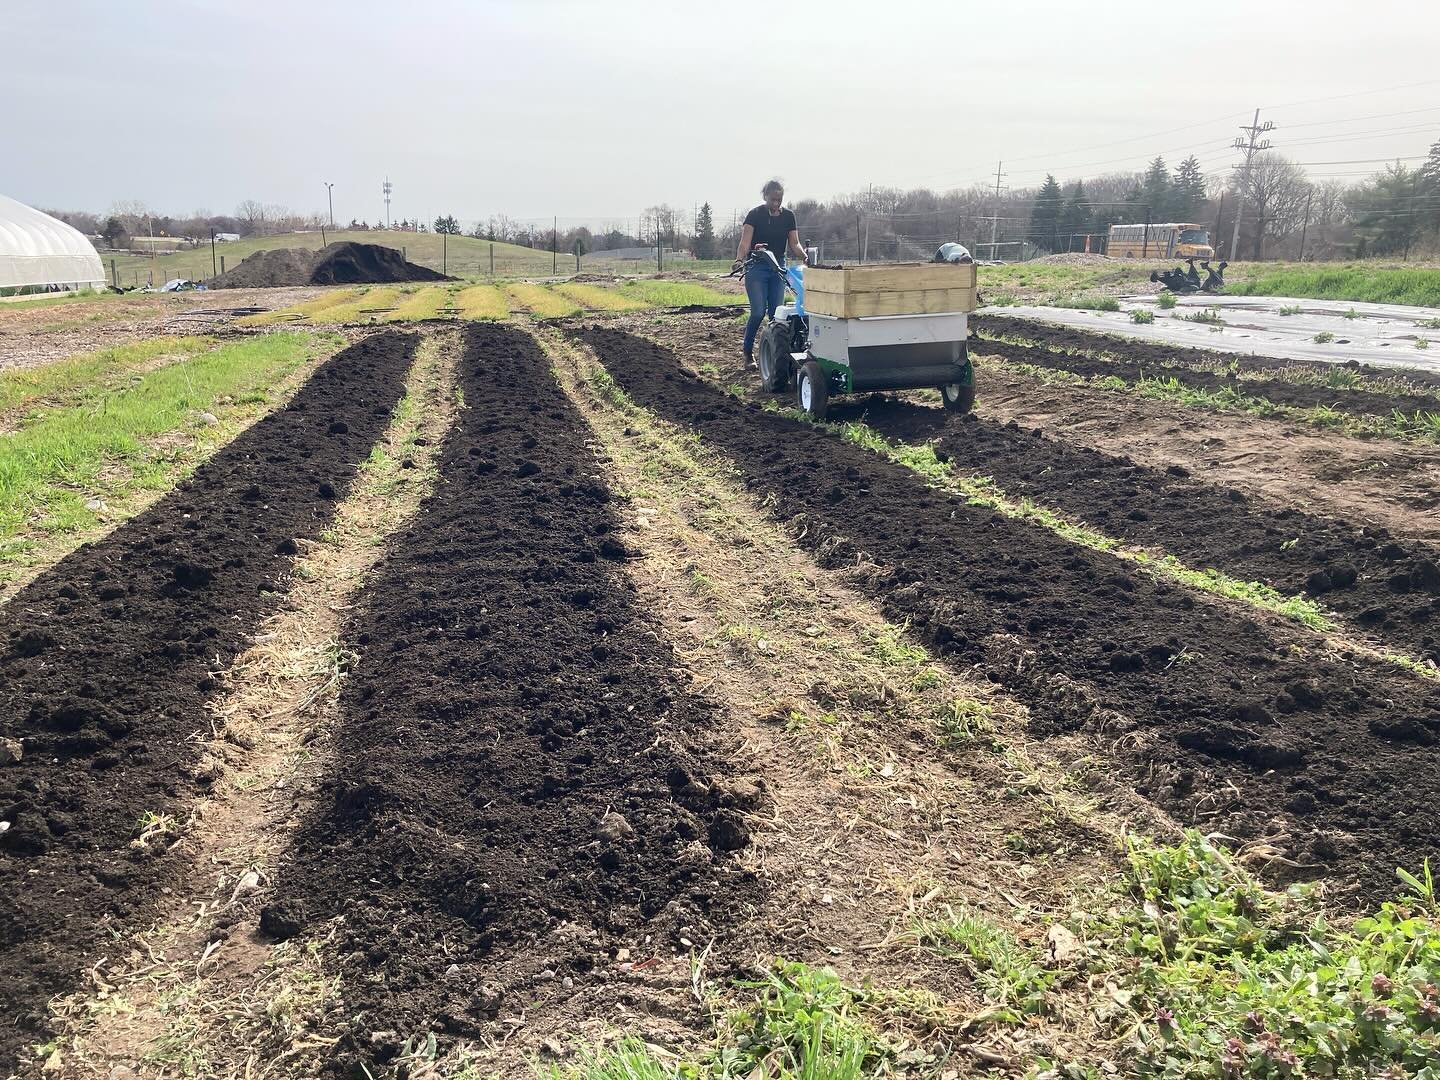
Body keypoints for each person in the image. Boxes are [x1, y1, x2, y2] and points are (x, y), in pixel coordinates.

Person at [733, 180, 809, 364]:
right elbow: (745, 242)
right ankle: (747, 351)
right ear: (765, 196)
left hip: (777, 268)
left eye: (779, 199)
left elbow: (794, 243)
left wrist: (805, 256)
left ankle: (775, 358)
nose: (776, 203)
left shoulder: (788, 216)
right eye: (773, 199)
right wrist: (739, 259)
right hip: (757, 267)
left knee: (776, 315)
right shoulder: (754, 215)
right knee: (758, 312)